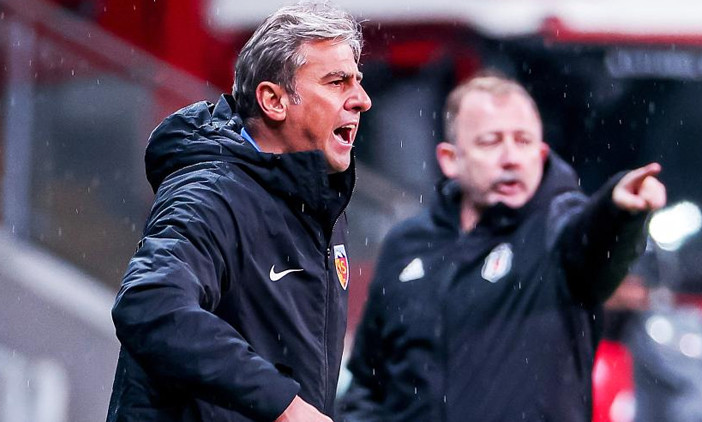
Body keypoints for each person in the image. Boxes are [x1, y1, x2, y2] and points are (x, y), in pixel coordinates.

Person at [338, 74, 665, 422]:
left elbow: (596, 243)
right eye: (490, 142)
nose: (511, 158)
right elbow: (368, 383)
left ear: (541, 154)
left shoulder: (557, 230)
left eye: (523, 141)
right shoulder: (407, 245)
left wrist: (619, 212)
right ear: (450, 159)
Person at [106, 2, 371, 422]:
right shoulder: (209, 193)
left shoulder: (323, 206)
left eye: (358, 81)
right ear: (273, 100)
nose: (362, 100)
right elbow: (149, 302)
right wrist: (283, 405)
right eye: (337, 82)